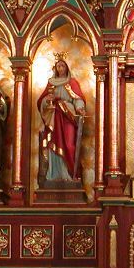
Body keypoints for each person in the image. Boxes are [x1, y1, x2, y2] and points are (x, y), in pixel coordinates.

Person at [37, 56, 86, 185]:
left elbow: (78, 99)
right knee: (52, 144)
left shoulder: (72, 82)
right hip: (53, 116)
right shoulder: (51, 83)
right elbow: (42, 101)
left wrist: (80, 108)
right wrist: (47, 100)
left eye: (62, 65)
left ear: (67, 67)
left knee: (69, 145)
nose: (60, 68)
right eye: (58, 66)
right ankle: (54, 175)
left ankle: (71, 174)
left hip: (68, 115)